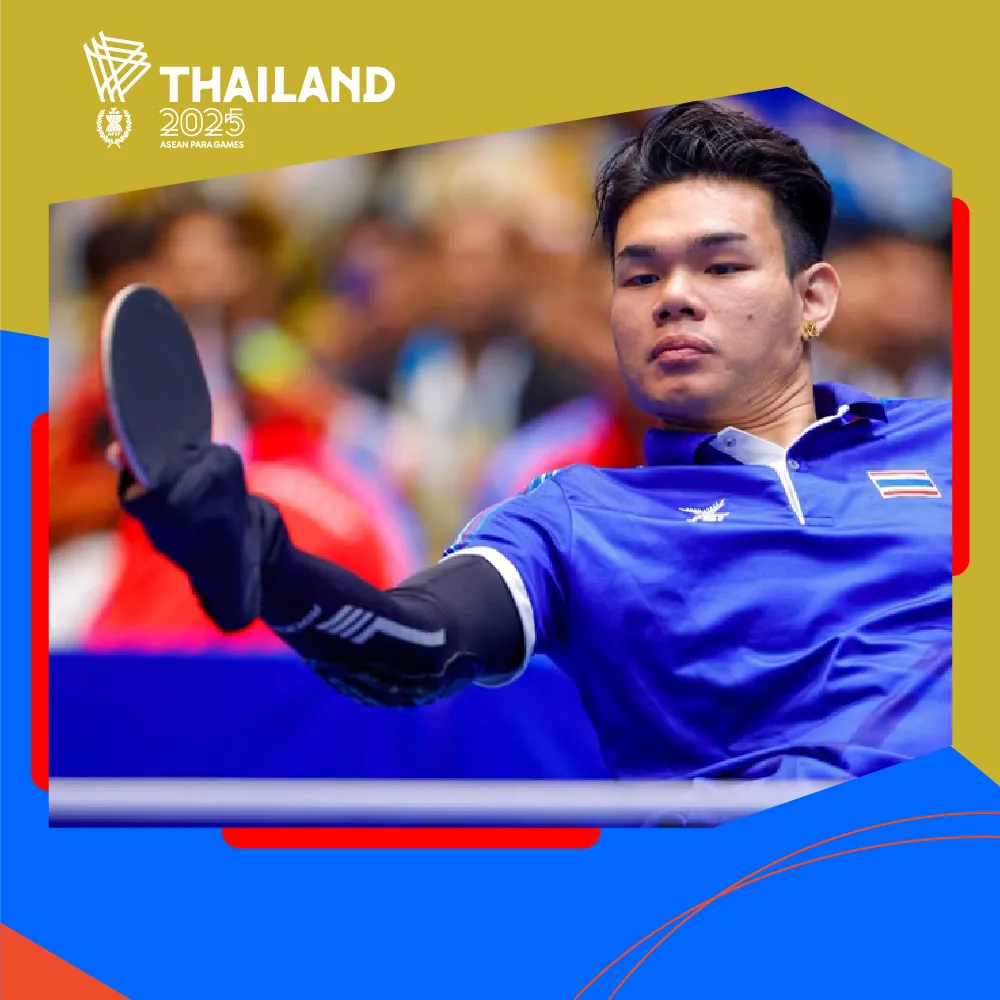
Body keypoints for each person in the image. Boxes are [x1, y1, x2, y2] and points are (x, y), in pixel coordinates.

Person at [108, 102, 951, 782]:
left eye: (721, 267)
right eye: (640, 275)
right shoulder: (575, 519)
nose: (673, 297)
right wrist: (260, 559)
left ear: (814, 300)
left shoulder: (951, 441)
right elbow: (412, 646)